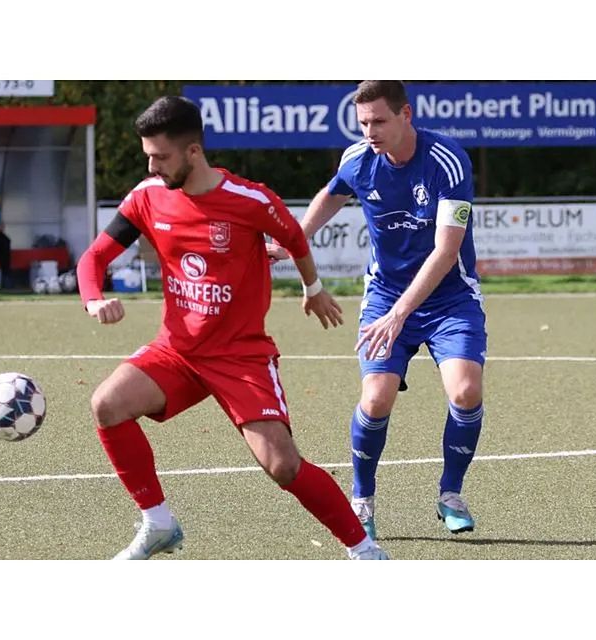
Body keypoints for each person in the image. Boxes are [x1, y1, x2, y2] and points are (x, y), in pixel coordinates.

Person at [76, 96, 389, 560]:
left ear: (193, 152)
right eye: (148, 155)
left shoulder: (250, 199)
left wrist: (313, 287)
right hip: (177, 352)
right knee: (107, 404)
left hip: (240, 357)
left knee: (283, 466)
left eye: (160, 156)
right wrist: (94, 298)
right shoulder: (146, 196)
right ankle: (158, 522)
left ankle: (364, 550)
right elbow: (94, 257)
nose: (151, 164)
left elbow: (294, 237)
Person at [269, 81, 486, 540]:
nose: (370, 131)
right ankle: (362, 499)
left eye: (379, 121)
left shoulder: (447, 161)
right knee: (375, 398)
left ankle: (451, 494)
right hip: (386, 294)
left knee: (465, 392)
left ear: (406, 114)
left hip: (449, 298)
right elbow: (331, 195)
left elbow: (447, 251)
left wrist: (401, 315)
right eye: (363, 122)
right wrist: (295, 242)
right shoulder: (357, 159)